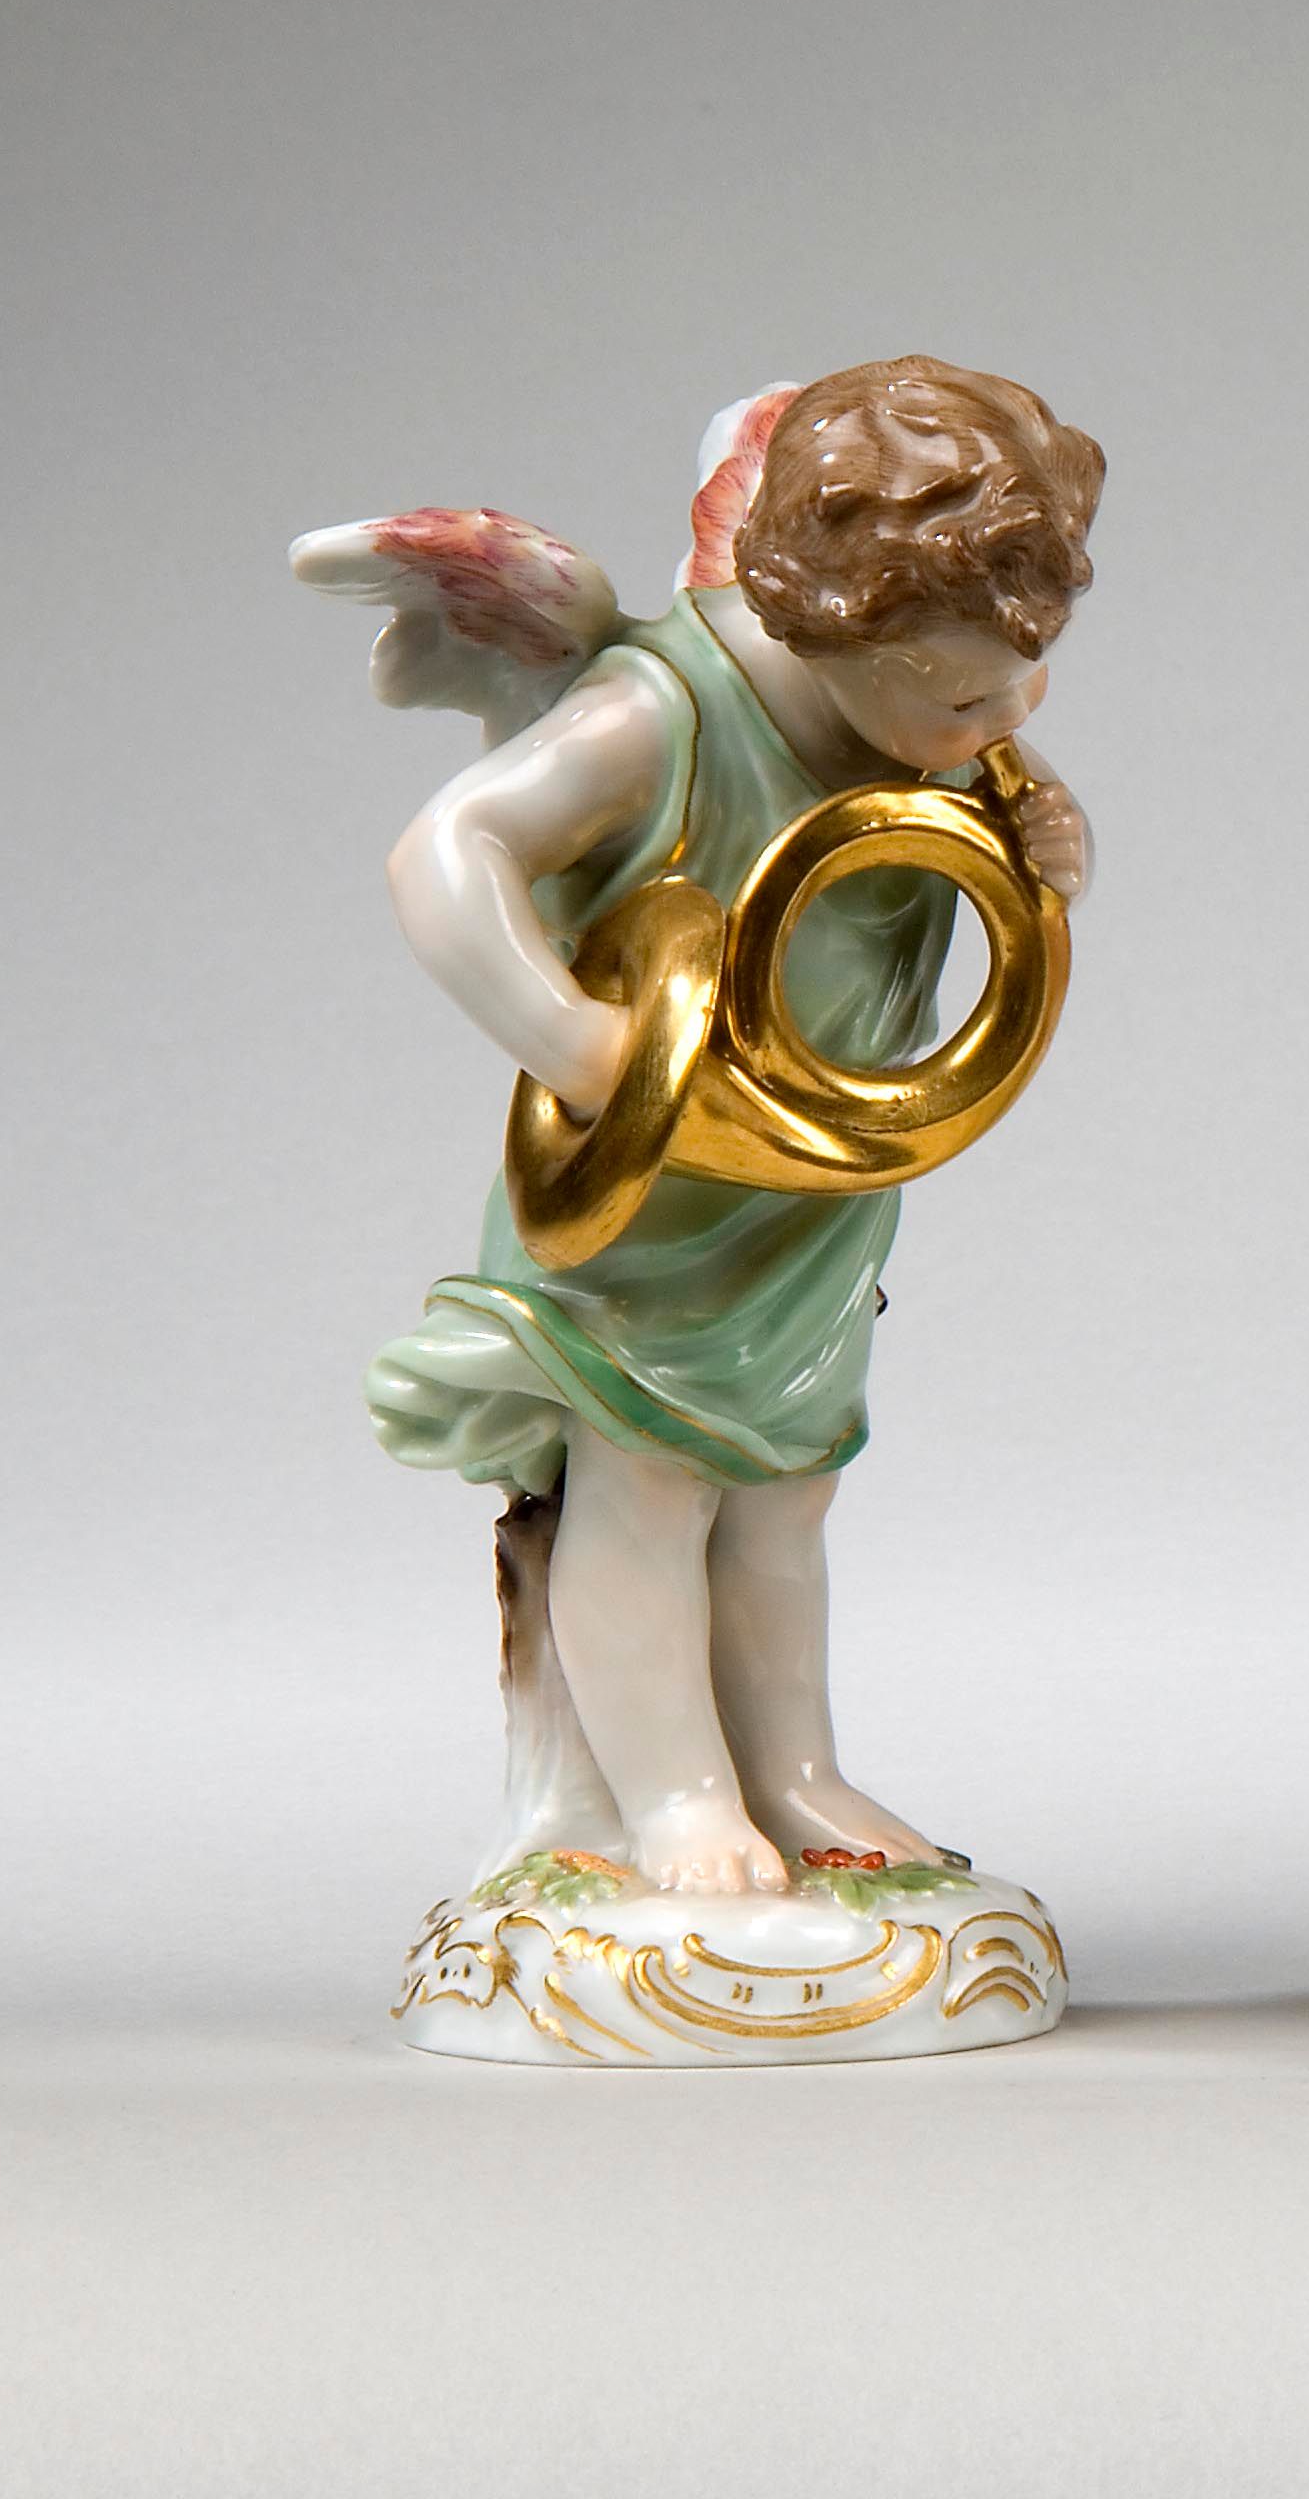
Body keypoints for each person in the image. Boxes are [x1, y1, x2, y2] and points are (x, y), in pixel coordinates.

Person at [365, 357, 1104, 1893]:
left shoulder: (923, 717)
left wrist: (1046, 839)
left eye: (1025, 680)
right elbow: (446, 851)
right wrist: (590, 1053)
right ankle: (672, 1797)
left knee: (786, 1495)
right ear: (834, 633)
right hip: (650, 1200)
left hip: (811, 1199)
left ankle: (795, 1771)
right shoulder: (662, 711)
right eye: (967, 694)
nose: (1005, 718)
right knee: (646, 1485)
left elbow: (994, 819)